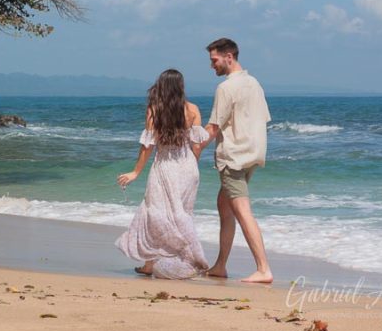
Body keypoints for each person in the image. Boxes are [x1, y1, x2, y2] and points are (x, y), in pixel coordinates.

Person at [115, 69, 210, 279]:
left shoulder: (154, 111)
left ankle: (159, 263)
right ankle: (161, 264)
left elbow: (148, 146)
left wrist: (136, 172)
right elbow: (197, 145)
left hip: (165, 167)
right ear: (180, 87)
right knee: (182, 214)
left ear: (161, 86)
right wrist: (192, 169)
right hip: (188, 167)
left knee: (153, 212)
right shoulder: (192, 109)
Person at [197, 38, 273, 283]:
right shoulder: (254, 83)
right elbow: (262, 119)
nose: (212, 66)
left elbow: (213, 127)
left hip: (234, 157)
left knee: (241, 211)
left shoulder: (226, 88)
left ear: (228, 56)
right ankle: (220, 265)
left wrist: (193, 151)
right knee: (224, 205)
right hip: (253, 154)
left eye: (214, 60)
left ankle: (263, 269)